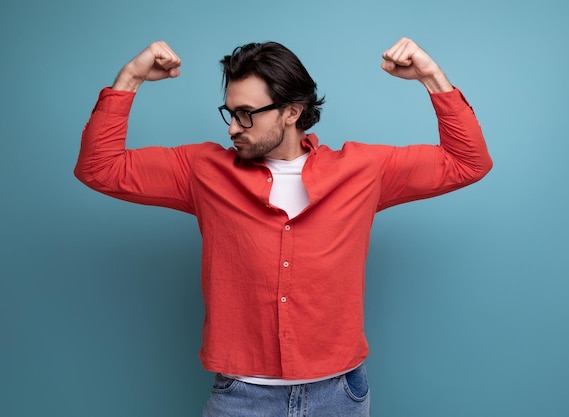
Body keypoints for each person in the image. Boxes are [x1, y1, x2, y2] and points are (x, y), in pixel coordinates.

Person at [75, 37, 492, 417]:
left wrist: (432, 79)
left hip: (340, 396)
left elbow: (467, 162)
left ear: (292, 112)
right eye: (229, 111)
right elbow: (100, 168)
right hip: (241, 399)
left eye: (245, 114)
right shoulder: (202, 171)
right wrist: (129, 79)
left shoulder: (364, 170)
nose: (232, 127)